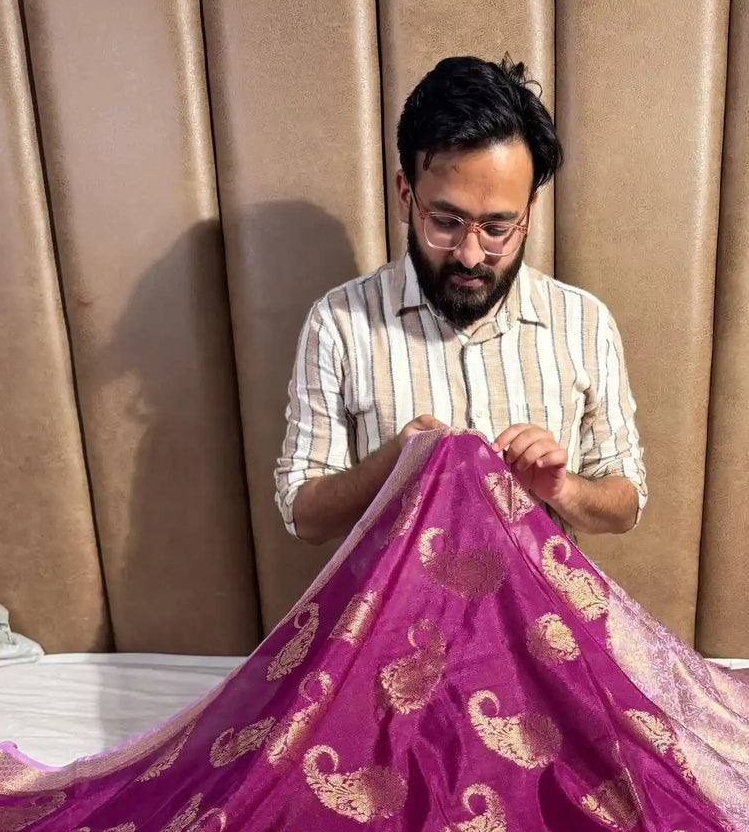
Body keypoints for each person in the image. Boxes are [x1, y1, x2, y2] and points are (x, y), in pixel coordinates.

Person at [275, 55, 647, 546]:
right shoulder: (338, 324)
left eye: (497, 228)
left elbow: (625, 504)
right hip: (390, 620)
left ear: (529, 212)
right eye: (446, 222)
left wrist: (564, 489)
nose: (471, 255)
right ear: (406, 195)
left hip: (537, 622)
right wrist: (392, 466)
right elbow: (304, 516)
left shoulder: (584, 322)